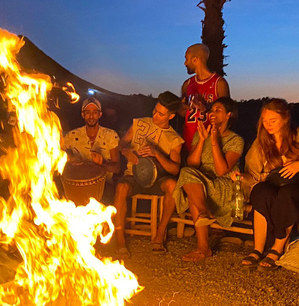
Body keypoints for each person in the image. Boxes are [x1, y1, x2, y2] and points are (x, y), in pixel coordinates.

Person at [168, 97, 243, 262]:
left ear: (228, 115)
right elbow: (192, 164)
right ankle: (203, 212)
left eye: (218, 111)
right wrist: (202, 140)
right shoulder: (201, 133)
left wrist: (215, 141)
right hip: (201, 180)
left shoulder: (236, 140)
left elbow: (222, 169)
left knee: (196, 189)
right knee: (187, 173)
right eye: (211, 110)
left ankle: (203, 247)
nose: (212, 114)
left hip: (224, 183)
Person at [242, 99, 299, 269]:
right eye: (265, 121)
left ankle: (277, 248)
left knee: (287, 195)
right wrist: (242, 178)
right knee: (260, 191)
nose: (268, 125)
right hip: (272, 183)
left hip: (297, 185)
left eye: (273, 121)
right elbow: (253, 172)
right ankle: (258, 248)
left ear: (285, 118)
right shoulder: (262, 142)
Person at [113, 92, 184, 258]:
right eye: (155, 110)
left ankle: (159, 236)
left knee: (173, 185)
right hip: (134, 174)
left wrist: (157, 154)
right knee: (122, 187)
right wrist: (126, 151)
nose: (155, 115)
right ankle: (120, 241)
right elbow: (121, 143)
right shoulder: (139, 124)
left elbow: (175, 169)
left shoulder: (174, 139)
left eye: (160, 114)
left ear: (171, 116)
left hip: (157, 179)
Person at [63, 97, 120, 201]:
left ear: (100, 115)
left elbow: (117, 168)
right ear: (83, 115)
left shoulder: (111, 135)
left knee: (108, 197)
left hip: (104, 183)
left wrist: (101, 164)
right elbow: (59, 158)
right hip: (76, 183)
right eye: (88, 112)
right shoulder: (71, 136)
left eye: (95, 112)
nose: (91, 116)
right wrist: (70, 159)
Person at [180, 44, 230, 153]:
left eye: (186, 59)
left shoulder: (219, 83)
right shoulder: (187, 84)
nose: (185, 63)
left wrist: (206, 108)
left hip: (211, 144)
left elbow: (228, 113)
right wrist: (182, 107)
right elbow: (182, 113)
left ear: (195, 60)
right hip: (189, 142)